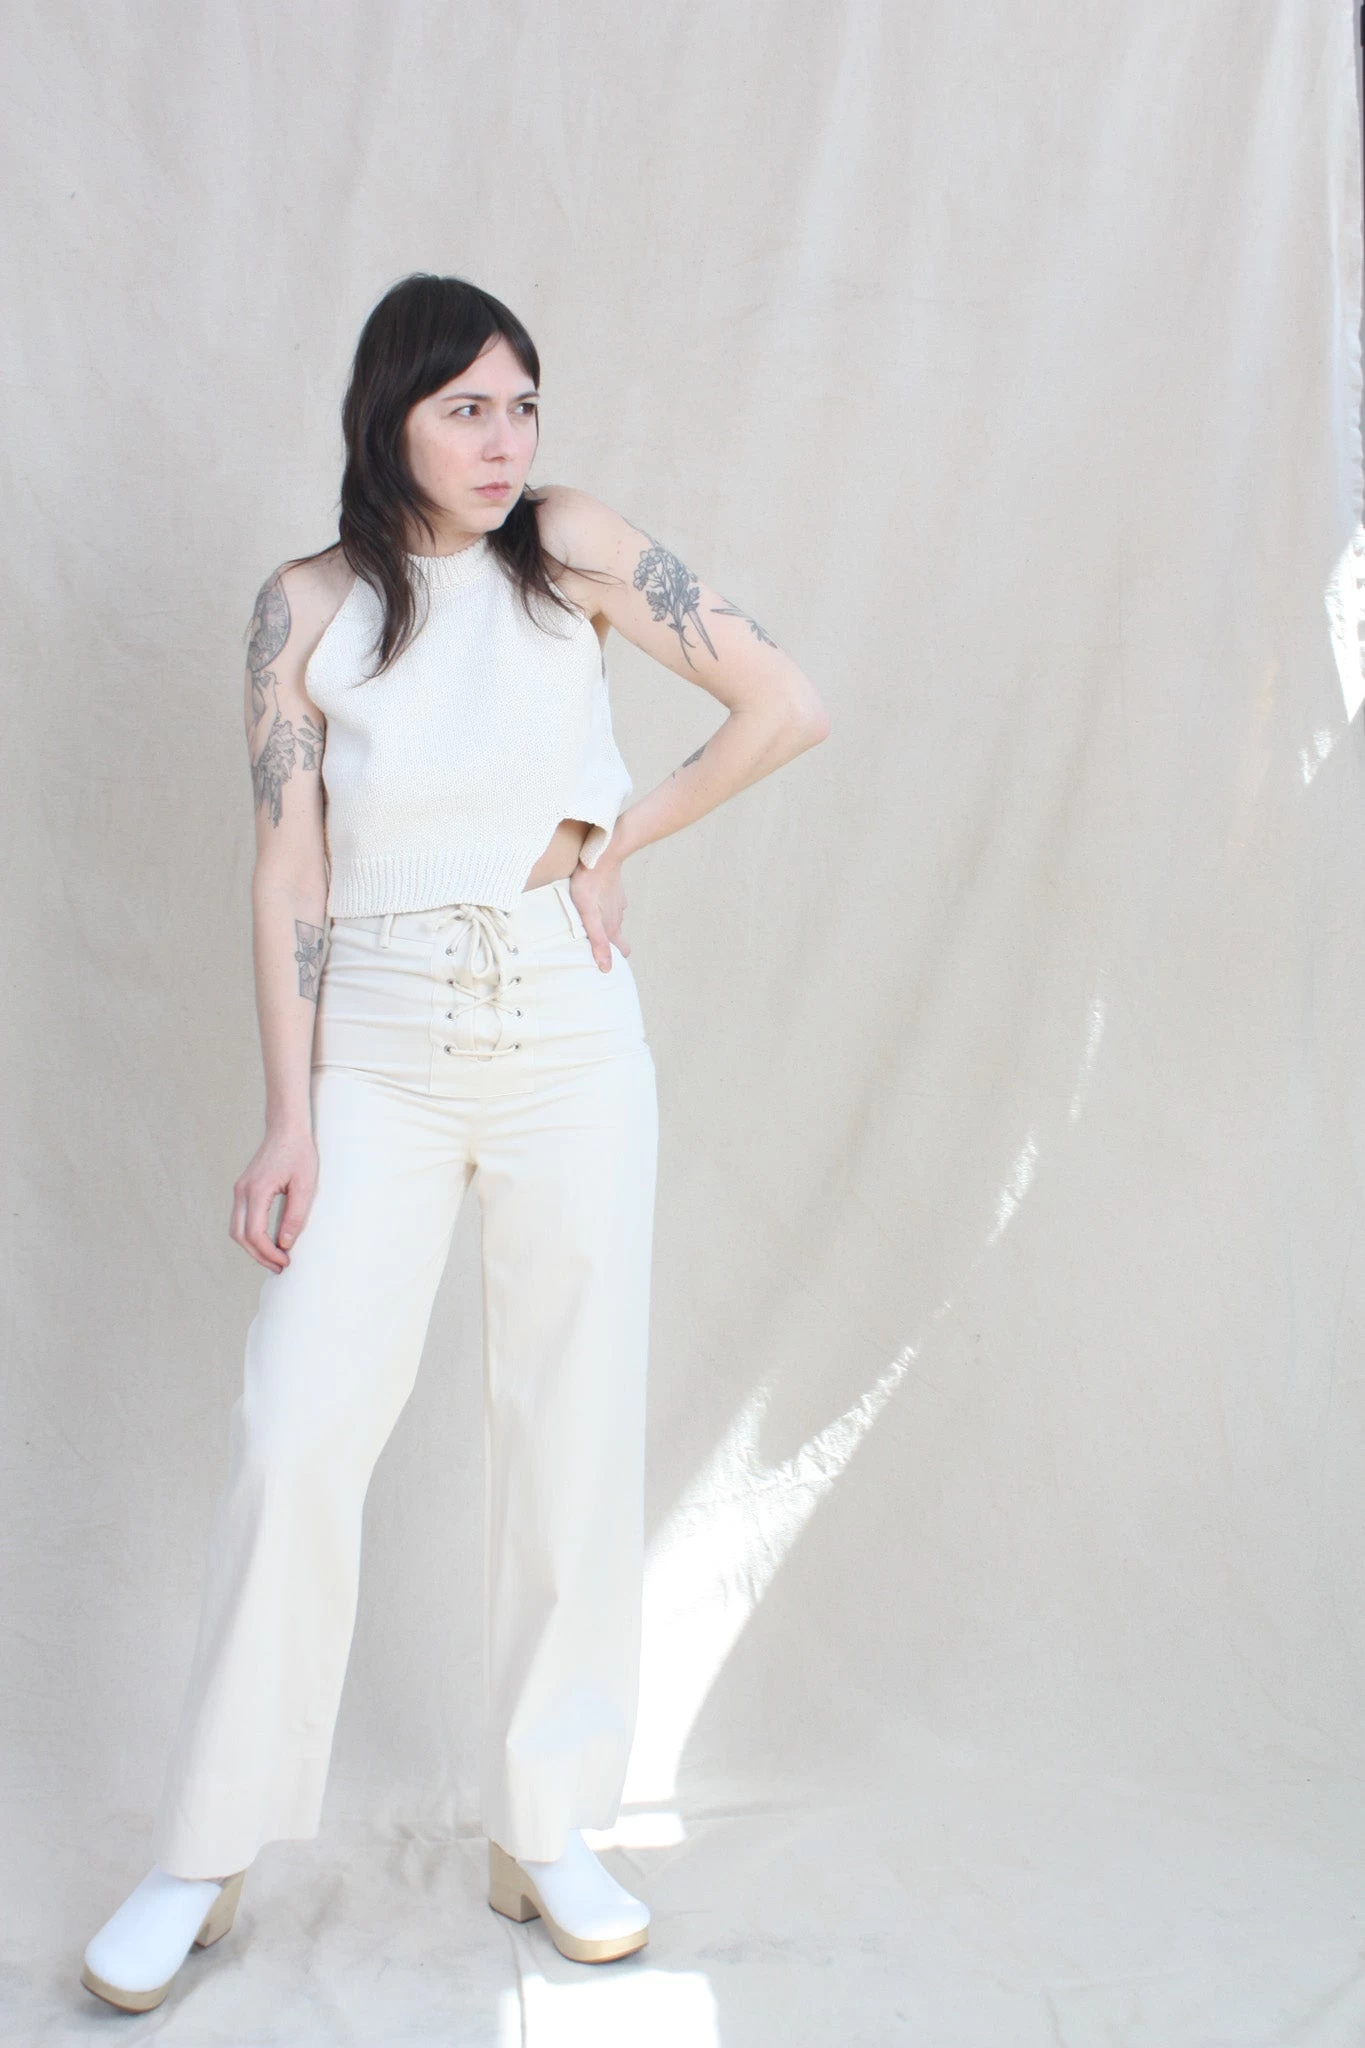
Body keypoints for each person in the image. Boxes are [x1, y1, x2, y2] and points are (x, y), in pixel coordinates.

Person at [79, 271, 830, 2010]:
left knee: (572, 1428)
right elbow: (289, 870)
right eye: (465, 408)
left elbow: (785, 703)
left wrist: (617, 835)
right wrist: (290, 1114)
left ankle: (548, 1828)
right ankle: (202, 1851)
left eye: (523, 403)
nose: (505, 440)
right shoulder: (306, 609)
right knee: (296, 1429)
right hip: (382, 1049)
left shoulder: (568, 548)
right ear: (389, 418)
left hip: (569, 1038)